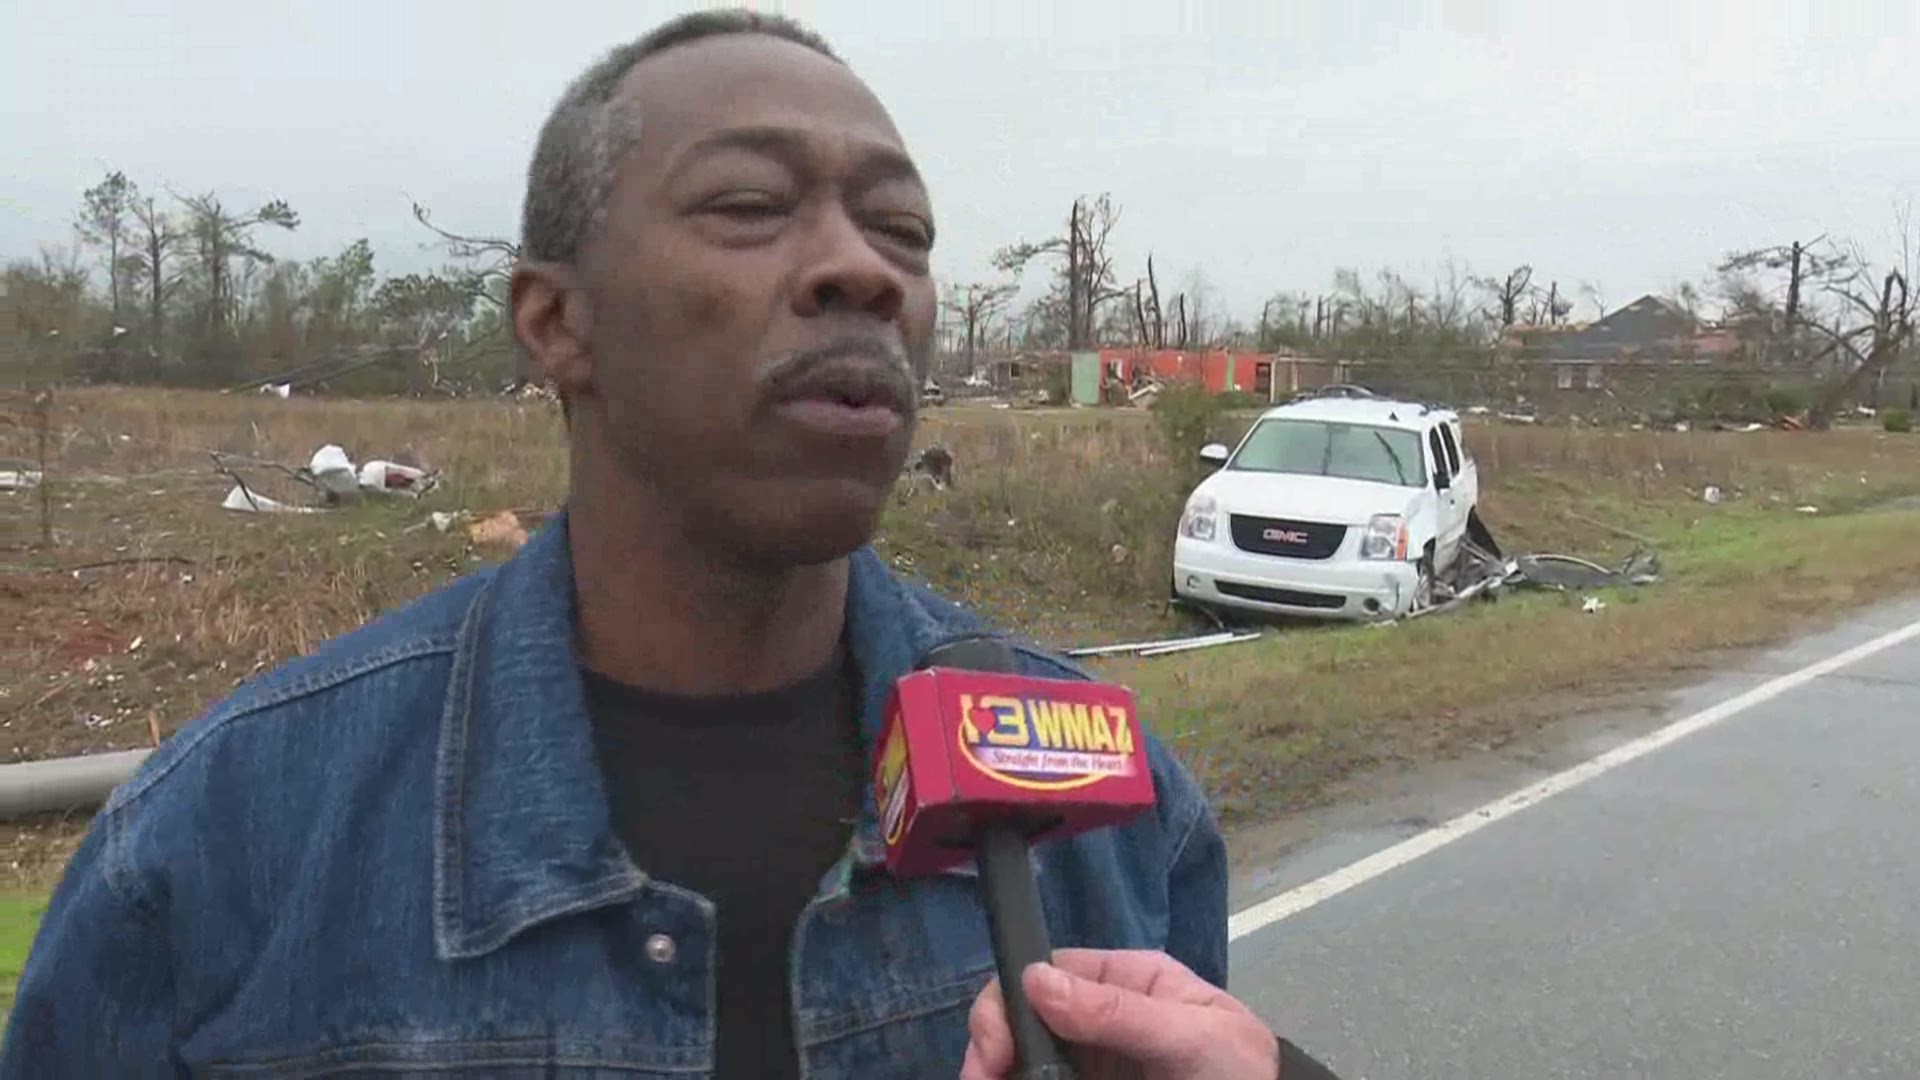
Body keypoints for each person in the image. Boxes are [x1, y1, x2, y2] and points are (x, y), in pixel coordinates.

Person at [2, 11, 1341, 1079]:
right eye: (751, 205)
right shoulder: (228, 845)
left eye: (904, 231)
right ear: (554, 321)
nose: (863, 272)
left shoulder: (1110, 804)